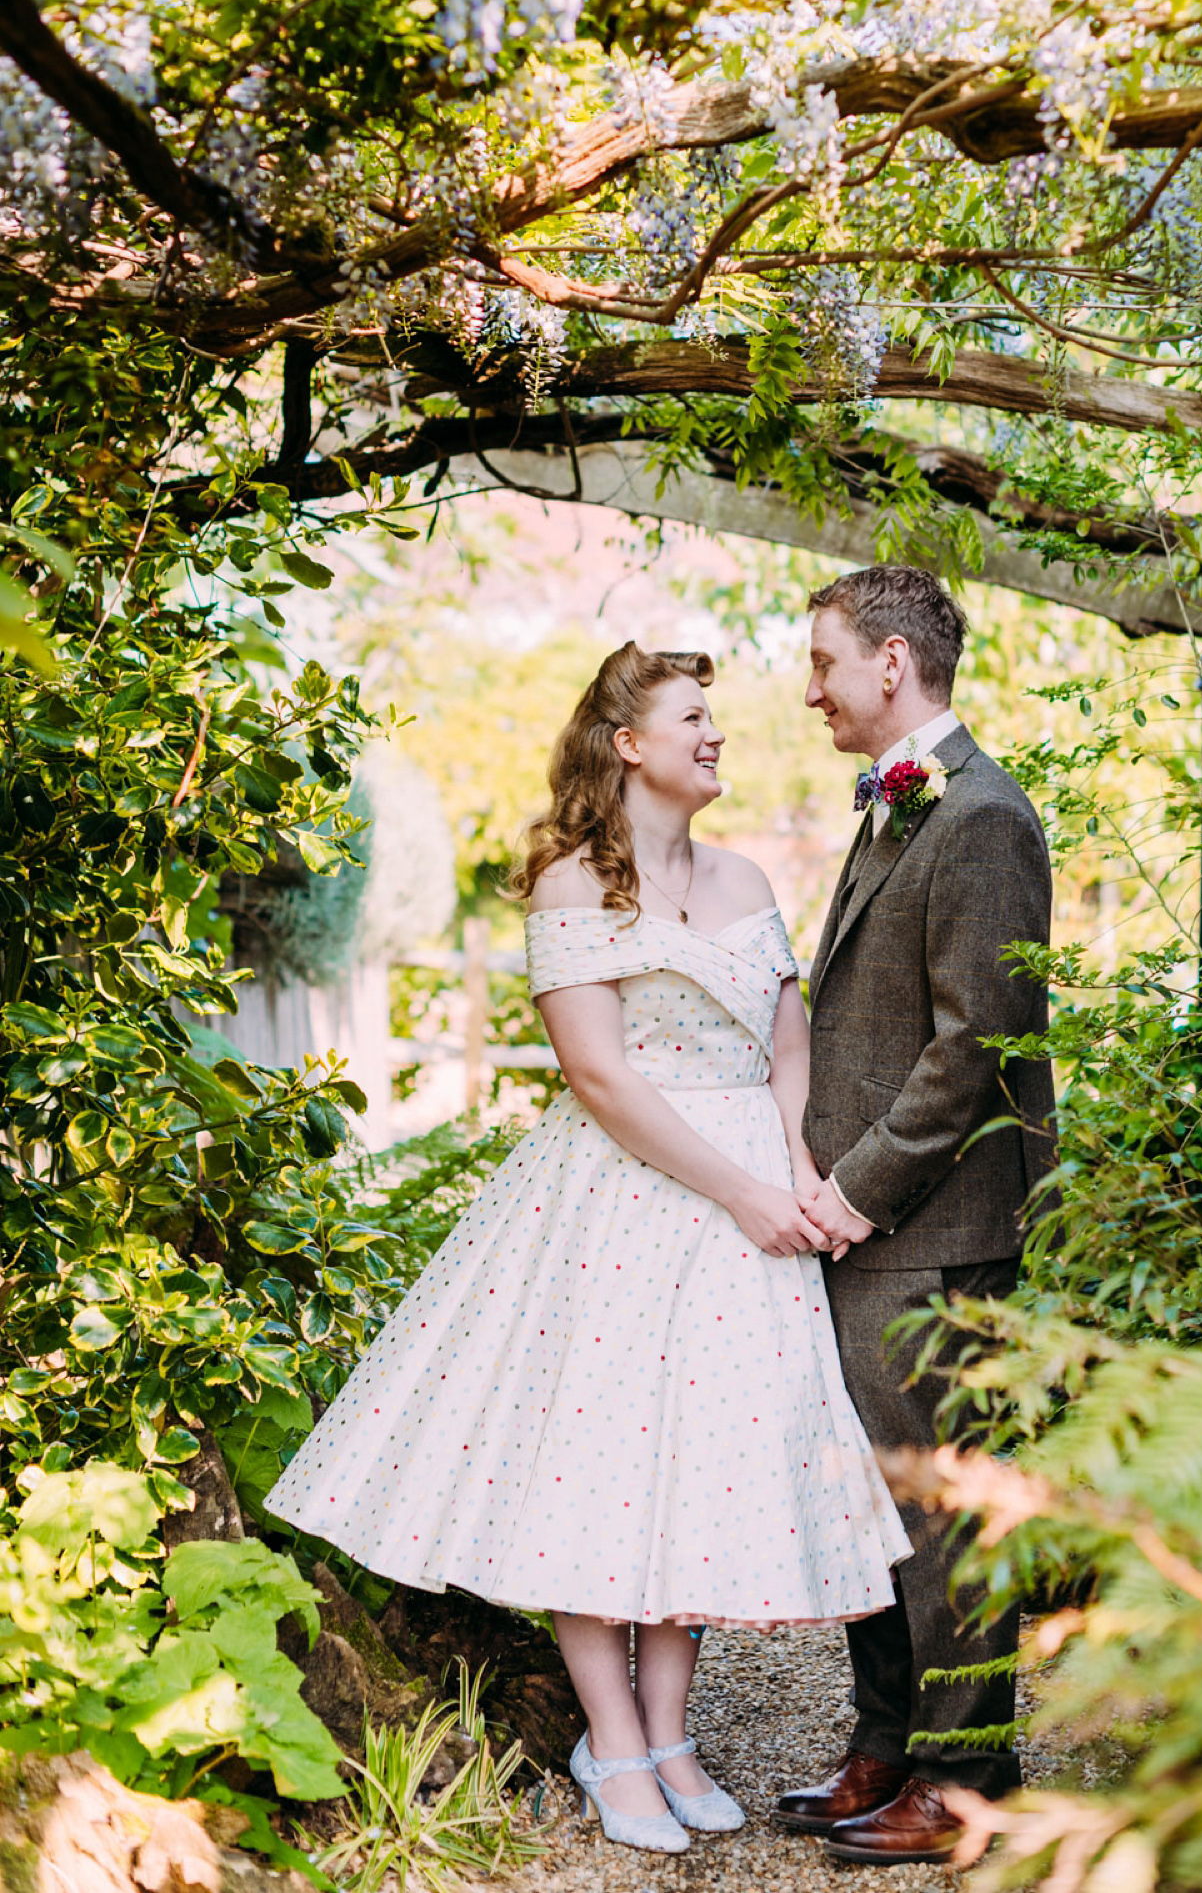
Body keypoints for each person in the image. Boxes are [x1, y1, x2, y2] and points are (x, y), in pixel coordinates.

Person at [265, 643, 909, 1855]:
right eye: (694, 717)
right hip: (623, 1196)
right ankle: (609, 1739)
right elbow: (602, 1080)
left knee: (698, 1467)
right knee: (599, 1465)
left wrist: (797, 1177)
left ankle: (673, 1735)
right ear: (629, 743)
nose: (718, 734)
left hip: (749, 1206)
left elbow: (789, 1053)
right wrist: (737, 1192)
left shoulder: (746, 878)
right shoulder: (571, 885)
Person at [773, 565, 1056, 1867]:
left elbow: (978, 1043)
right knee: (862, 1500)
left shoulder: (985, 815)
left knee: (938, 1510)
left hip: (936, 1228)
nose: (812, 685)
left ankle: (960, 1777)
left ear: (893, 661)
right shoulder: (904, 803)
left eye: (824, 659)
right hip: (874, 1225)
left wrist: (851, 1187)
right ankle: (885, 1739)